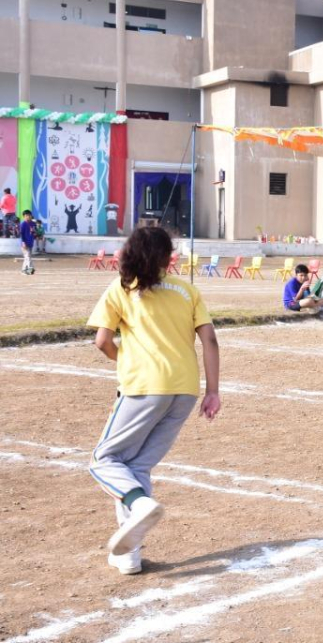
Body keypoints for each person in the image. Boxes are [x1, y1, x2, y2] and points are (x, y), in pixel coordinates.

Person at [85, 227, 221, 575]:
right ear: (167, 257)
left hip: (144, 386)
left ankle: (139, 502)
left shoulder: (122, 288)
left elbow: (102, 341)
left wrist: (123, 359)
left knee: (103, 460)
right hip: (184, 390)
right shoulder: (187, 290)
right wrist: (212, 391)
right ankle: (129, 556)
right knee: (137, 466)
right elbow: (210, 341)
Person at [18, 210, 35, 275]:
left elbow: (34, 233)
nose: (29, 216)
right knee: (28, 256)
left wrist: (33, 231)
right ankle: (30, 269)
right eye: (27, 215)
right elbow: (21, 234)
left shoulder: (33, 223)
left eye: (29, 215)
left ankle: (24, 270)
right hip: (24, 243)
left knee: (27, 257)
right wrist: (23, 242)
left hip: (30, 242)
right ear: (24, 216)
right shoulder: (23, 224)